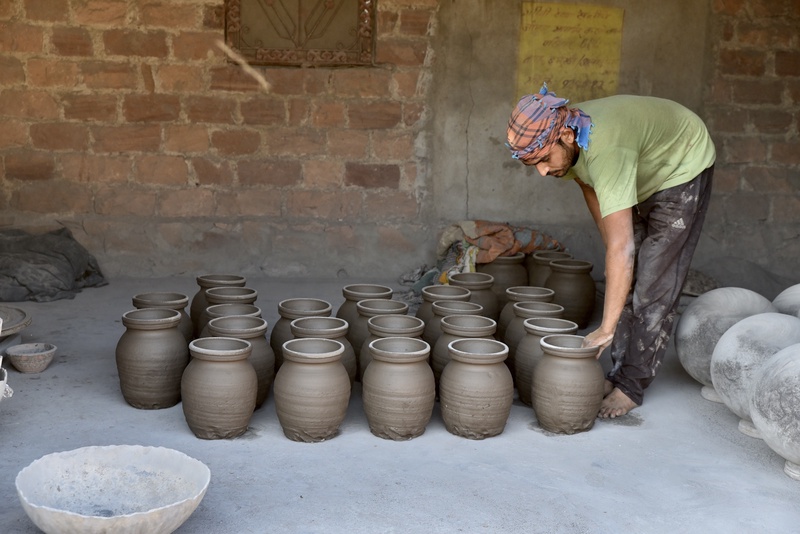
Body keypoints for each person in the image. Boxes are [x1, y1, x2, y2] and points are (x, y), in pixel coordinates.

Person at [506, 84, 715, 418]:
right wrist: (614, 252)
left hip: (682, 161)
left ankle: (631, 385)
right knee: (625, 272)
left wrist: (605, 327)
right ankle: (618, 373)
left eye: (544, 159)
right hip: (639, 163)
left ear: (566, 137)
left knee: (654, 282)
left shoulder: (604, 147)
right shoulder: (571, 140)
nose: (542, 171)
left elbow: (623, 249)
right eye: (534, 164)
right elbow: (589, 185)